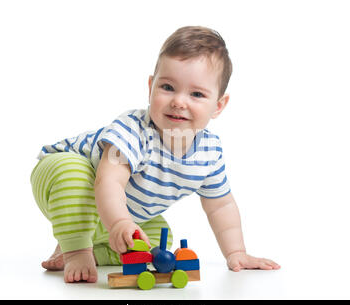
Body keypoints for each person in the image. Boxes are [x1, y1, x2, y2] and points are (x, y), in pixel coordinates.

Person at [31, 26, 280, 283]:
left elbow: (221, 205)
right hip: (61, 179)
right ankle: (76, 250)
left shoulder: (209, 153)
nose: (179, 101)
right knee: (73, 173)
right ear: (151, 86)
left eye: (196, 94)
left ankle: (95, 248)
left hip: (116, 211)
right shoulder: (132, 130)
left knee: (158, 235)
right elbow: (108, 181)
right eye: (168, 87)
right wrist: (118, 223)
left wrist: (236, 252)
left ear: (218, 105)